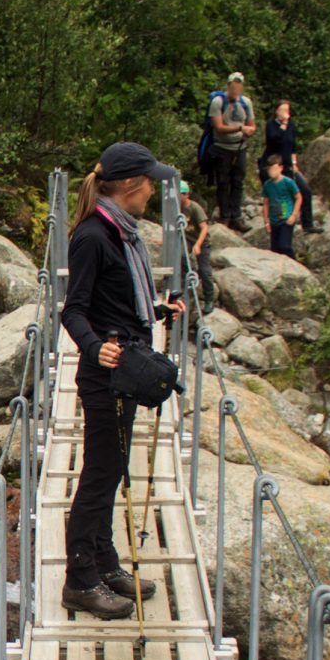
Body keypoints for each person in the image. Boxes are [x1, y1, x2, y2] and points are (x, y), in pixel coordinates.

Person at [59, 142, 187, 620]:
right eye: (150, 181)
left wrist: (156, 310)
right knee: (98, 474)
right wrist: (96, 347)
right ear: (131, 185)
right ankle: (80, 580)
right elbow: (73, 310)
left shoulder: (124, 234)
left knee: (112, 470)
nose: (154, 190)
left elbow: (116, 303)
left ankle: (105, 562)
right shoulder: (94, 236)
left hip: (125, 371)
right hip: (104, 376)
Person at [257, 99, 316, 232]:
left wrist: (295, 163)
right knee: (280, 196)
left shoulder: (291, 125)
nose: (285, 113)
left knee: (305, 190)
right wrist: (283, 124)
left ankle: (308, 224)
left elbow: (292, 145)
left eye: (287, 110)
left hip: (288, 164)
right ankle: (278, 224)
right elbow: (275, 140)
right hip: (274, 165)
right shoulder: (271, 125)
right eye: (282, 110)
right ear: (277, 111)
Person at [206, 71, 253, 227]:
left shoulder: (246, 102)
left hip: (240, 147)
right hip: (222, 147)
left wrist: (249, 131)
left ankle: (236, 216)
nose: (235, 91)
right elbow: (218, 127)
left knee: (238, 182)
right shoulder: (218, 102)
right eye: (233, 88)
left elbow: (252, 124)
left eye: (238, 88)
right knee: (223, 182)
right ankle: (224, 216)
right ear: (228, 86)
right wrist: (240, 128)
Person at [181, 180, 216, 310]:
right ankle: (188, 287)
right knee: (182, 258)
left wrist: (198, 245)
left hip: (201, 241)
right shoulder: (176, 207)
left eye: (181, 194)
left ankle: (209, 299)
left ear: (186, 195)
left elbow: (204, 228)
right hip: (187, 240)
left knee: (205, 270)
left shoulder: (195, 208)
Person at [261, 154, 304, 257]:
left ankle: (294, 264)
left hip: (286, 218)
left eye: (274, 168)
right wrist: (266, 222)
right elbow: (266, 203)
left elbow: (299, 197)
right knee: (275, 250)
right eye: (269, 169)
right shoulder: (267, 185)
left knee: (284, 246)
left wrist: (293, 215)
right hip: (274, 220)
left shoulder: (288, 182)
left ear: (280, 168)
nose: (271, 171)